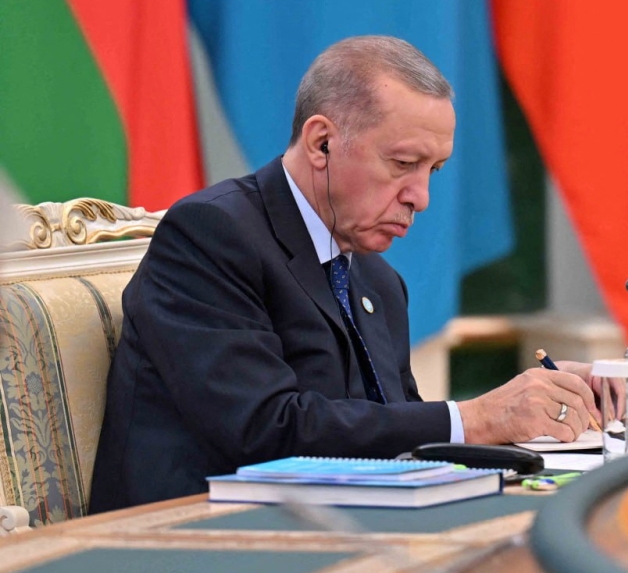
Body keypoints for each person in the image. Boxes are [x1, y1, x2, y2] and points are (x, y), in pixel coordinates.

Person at [89, 36, 600, 512]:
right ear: (321, 144)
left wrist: (532, 417)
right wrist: (481, 416)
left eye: (433, 170)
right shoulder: (212, 235)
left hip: (343, 526)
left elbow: (404, 441)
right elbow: (265, 433)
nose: (421, 197)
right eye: (403, 162)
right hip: (194, 540)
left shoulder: (379, 281)